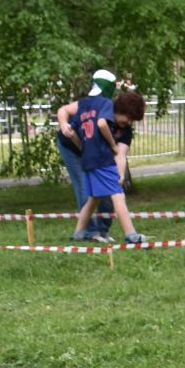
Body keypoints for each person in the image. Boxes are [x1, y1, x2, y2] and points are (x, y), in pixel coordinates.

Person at [64, 69, 147, 244]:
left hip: (88, 159)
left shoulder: (87, 106)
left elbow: (74, 133)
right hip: (102, 159)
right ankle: (131, 235)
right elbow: (103, 125)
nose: (129, 123)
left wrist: (121, 173)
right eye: (128, 118)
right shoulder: (106, 107)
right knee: (118, 196)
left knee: (93, 199)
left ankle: (78, 233)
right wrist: (112, 146)